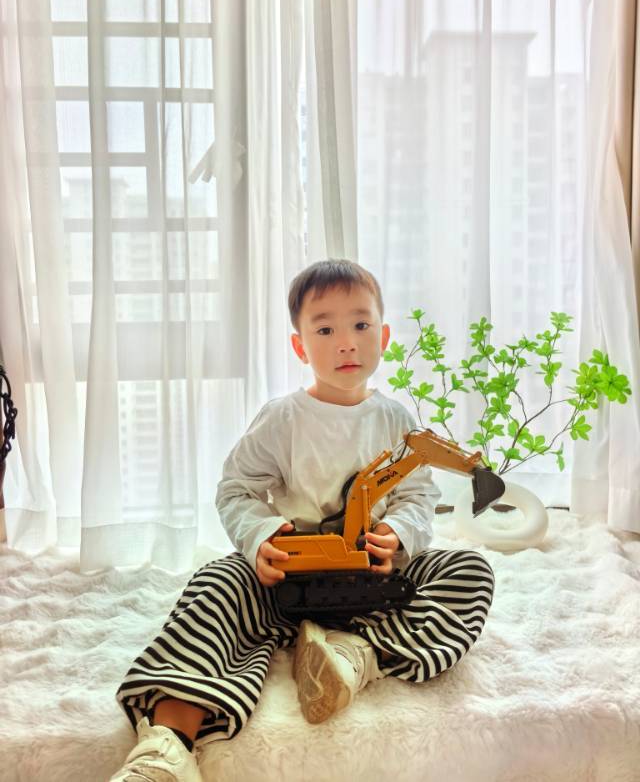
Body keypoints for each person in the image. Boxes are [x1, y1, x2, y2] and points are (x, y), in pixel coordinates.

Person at [111, 259, 495, 782]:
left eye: (360, 325)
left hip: (373, 586)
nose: (347, 343)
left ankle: (355, 656)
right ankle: (168, 745)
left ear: (383, 337)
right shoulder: (282, 420)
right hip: (286, 584)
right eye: (325, 330)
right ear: (300, 346)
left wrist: (398, 534)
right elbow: (237, 489)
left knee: (469, 570)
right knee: (217, 582)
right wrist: (260, 537)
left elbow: (417, 494)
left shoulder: (396, 421)